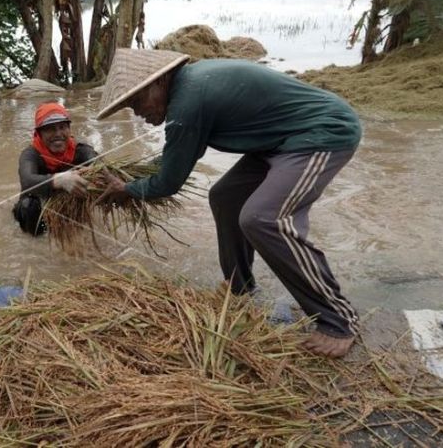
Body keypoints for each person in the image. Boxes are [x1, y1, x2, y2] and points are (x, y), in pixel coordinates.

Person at [95, 49, 362, 358]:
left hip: (322, 132)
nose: (139, 113)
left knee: (263, 218)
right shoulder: (190, 88)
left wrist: (127, 189)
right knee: (225, 196)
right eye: (131, 106)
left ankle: (338, 320)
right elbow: (176, 158)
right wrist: (131, 180)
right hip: (277, 140)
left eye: (139, 102)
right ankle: (239, 287)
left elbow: (168, 183)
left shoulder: (186, 104)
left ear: (161, 81)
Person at [13, 102, 98, 236]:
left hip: (66, 205)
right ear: (39, 134)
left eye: (62, 127)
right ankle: (37, 246)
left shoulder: (81, 150)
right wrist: (58, 180)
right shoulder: (30, 154)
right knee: (28, 206)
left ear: (69, 130)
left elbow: (100, 165)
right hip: (38, 207)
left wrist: (95, 172)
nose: (58, 134)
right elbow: (27, 181)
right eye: (50, 129)